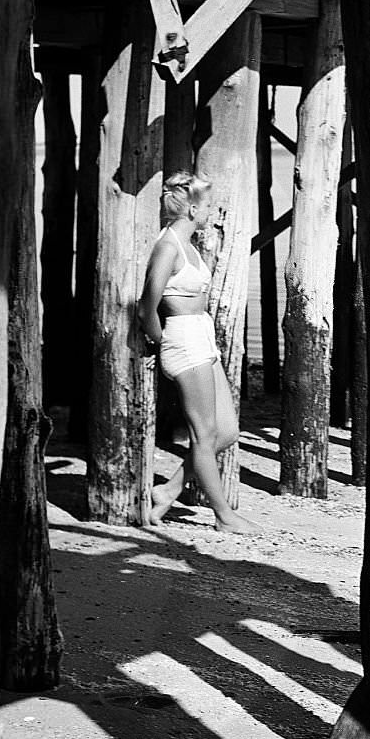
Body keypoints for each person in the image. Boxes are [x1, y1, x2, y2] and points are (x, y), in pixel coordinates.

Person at [137, 171, 255, 533]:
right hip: (184, 341)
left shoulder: (187, 244)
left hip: (203, 338)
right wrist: (160, 341)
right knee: (204, 434)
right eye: (206, 205)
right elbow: (146, 307)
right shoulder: (168, 247)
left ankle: (168, 490)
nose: (210, 212)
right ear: (191, 208)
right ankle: (224, 516)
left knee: (227, 431)